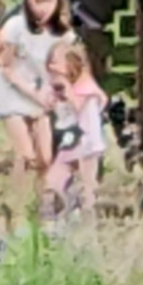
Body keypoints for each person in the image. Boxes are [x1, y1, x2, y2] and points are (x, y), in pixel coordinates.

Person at [0, 0, 71, 223]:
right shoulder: (16, 27)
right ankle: (18, 211)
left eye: (48, 1)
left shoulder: (62, 34)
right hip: (13, 92)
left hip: (41, 94)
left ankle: (42, 207)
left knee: (45, 157)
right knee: (26, 155)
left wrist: (58, 93)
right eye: (37, 1)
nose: (42, 8)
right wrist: (34, 92)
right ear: (28, 2)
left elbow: (60, 68)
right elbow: (6, 67)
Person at [48, 41, 109, 216]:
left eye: (55, 62)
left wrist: (67, 90)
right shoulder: (60, 86)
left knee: (88, 184)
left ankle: (88, 215)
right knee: (54, 180)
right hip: (70, 141)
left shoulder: (84, 85)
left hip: (87, 142)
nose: (51, 66)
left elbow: (81, 106)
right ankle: (60, 212)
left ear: (70, 64)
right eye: (50, 62)